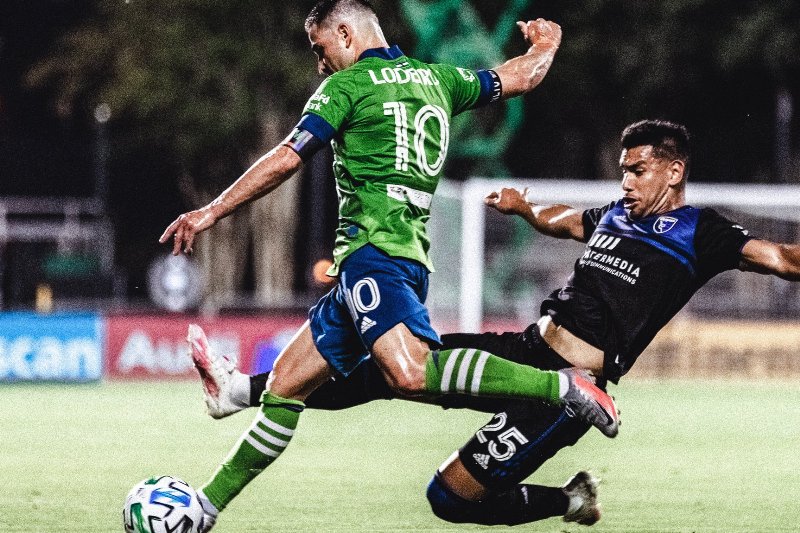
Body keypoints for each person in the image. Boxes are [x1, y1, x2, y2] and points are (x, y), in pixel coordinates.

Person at [190, 119, 800, 527]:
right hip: (524, 349)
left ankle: (570, 499)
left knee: (448, 500)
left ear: (674, 172)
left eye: (637, 169)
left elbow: (780, 258)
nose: (625, 180)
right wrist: (523, 207)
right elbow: (563, 220)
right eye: (622, 168)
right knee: (395, 365)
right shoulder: (616, 213)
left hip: (567, 396)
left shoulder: (702, 232)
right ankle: (243, 390)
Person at [159, 1, 618, 529]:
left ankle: (562, 387)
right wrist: (545, 47)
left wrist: (212, 210)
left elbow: (289, 155)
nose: (320, 64)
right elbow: (516, 78)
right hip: (403, 261)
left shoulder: (346, 88)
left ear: (347, 35)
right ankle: (206, 502)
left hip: (373, 258)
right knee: (285, 389)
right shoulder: (437, 80)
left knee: (408, 371)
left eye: (321, 48)